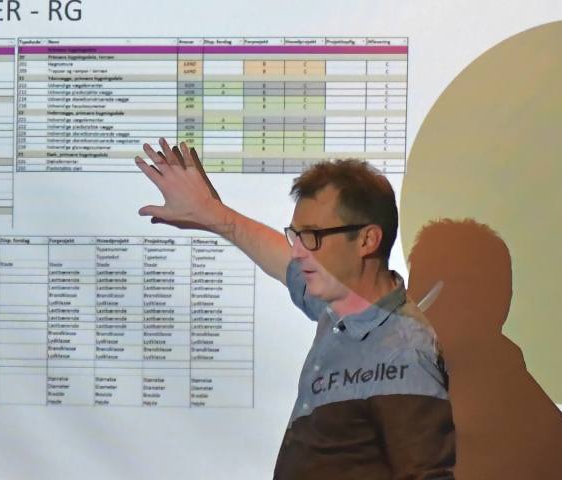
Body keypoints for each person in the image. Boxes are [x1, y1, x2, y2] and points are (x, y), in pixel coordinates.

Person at [135, 138, 455, 479]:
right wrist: (214, 214)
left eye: (313, 237)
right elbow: (280, 259)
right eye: (296, 236)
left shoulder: (404, 350)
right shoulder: (341, 304)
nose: (299, 252)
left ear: (367, 240)